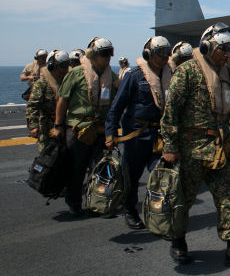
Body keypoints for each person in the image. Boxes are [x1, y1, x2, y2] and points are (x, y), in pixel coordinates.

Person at [160, 22, 230, 267]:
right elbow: (170, 112)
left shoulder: (227, 70)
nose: (228, 53)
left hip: (222, 146)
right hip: (193, 147)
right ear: (207, 47)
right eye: (223, 48)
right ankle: (178, 241)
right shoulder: (187, 72)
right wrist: (170, 147)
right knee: (184, 197)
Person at [105, 36, 172, 230]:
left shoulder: (170, 75)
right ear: (148, 54)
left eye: (167, 53)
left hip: (159, 135)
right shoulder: (134, 76)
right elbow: (117, 107)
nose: (165, 57)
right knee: (131, 177)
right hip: (136, 136)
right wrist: (110, 134)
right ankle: (130, 211)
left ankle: (158, 213)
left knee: (161, 176)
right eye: (161, 53)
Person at [52, 37, 116, 216]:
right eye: (104, 54)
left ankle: (98, 202)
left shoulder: (111, 75)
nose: (108, 58)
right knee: (76, 168)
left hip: (100, 129)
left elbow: (120, 93)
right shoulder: (76, 73)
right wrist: (58, 125)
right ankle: (74, 202)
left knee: (101, 169)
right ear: (92, 55)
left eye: (109, 54)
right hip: (78, 129)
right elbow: (63, 100)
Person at [26, 50, 70, 152]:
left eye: (66, 66)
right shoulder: (42, 84)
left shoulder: (68, 82)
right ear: (52, 66)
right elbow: (32, 106)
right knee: (47, 158)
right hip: (47, 127)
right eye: (62, 66)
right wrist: (33, 126)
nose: (65, 70)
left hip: (66, 127)